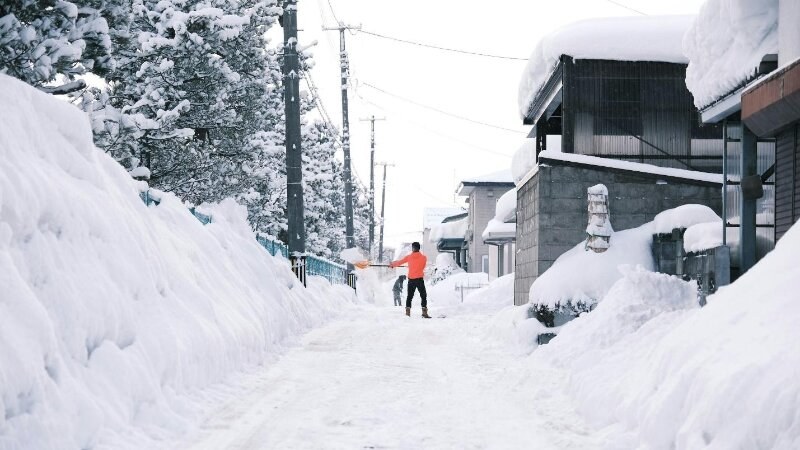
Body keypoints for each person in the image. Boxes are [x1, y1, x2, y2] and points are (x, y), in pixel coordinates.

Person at [389, 242, 430, 318]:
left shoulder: (409, 257)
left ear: (413, 248)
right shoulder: (424, 258)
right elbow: (422, 267)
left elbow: (399, 262)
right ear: (419, 248)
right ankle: (424, 313)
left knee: (409, 297)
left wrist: (392, 265)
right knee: (423, 296)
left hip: (411, 280)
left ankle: (408, 313)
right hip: (419, 280)